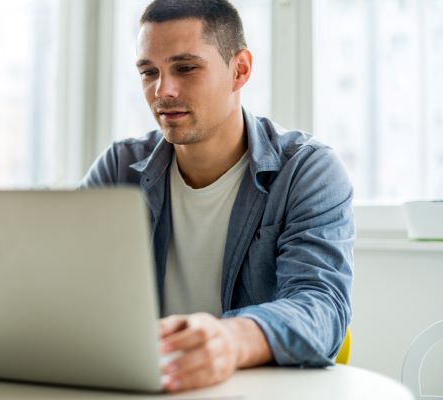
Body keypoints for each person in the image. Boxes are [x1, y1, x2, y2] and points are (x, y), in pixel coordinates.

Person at [81, 0, 354, 393]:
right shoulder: (119, 168)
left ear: (239, 69)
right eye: (149, 72)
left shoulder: (307, 171)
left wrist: (230, 339)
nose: (163, 90)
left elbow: (323, 307)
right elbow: (64, 289)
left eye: (186, 68)